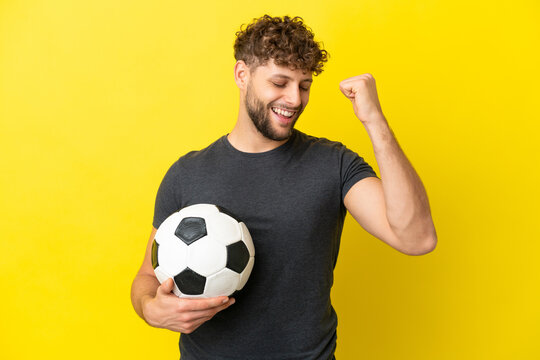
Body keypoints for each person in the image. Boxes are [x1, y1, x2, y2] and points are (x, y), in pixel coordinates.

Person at [130, 14, 437, 360]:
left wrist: (374, 121)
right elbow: (146, 277)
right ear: (242, 75)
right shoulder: (186, 173)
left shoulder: (333, 164)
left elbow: (417, 238)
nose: (294, 99)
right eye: (280, 83)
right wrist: (149, 307)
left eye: (304, 85)